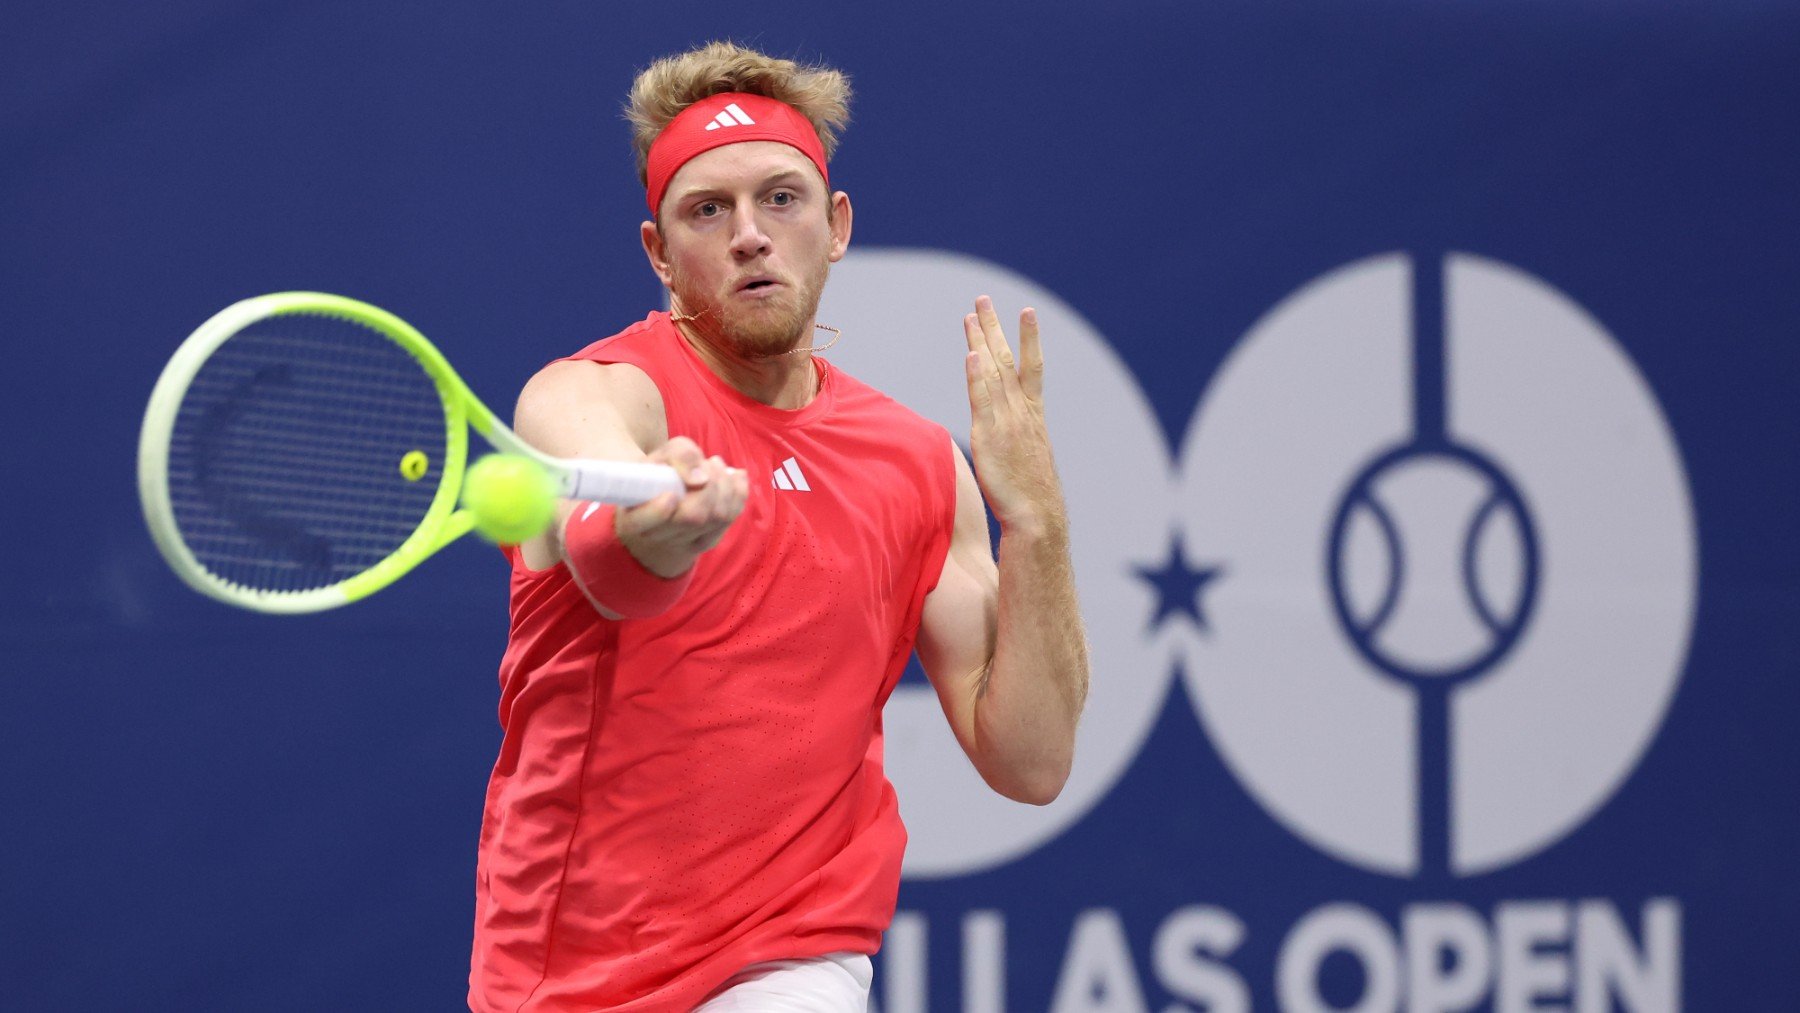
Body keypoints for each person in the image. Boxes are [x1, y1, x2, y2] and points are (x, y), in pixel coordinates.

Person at [469, 41, 1089, 1012]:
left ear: (835, 226)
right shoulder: (584, 397)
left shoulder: (917, 462)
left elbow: (1033, 759)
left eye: (781, 199)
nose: (750, 234)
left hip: (793, 957)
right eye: (707, 210)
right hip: (568, 975)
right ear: (659, 254)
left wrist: (1039, 523)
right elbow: (608, 553)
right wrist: (660, 520)